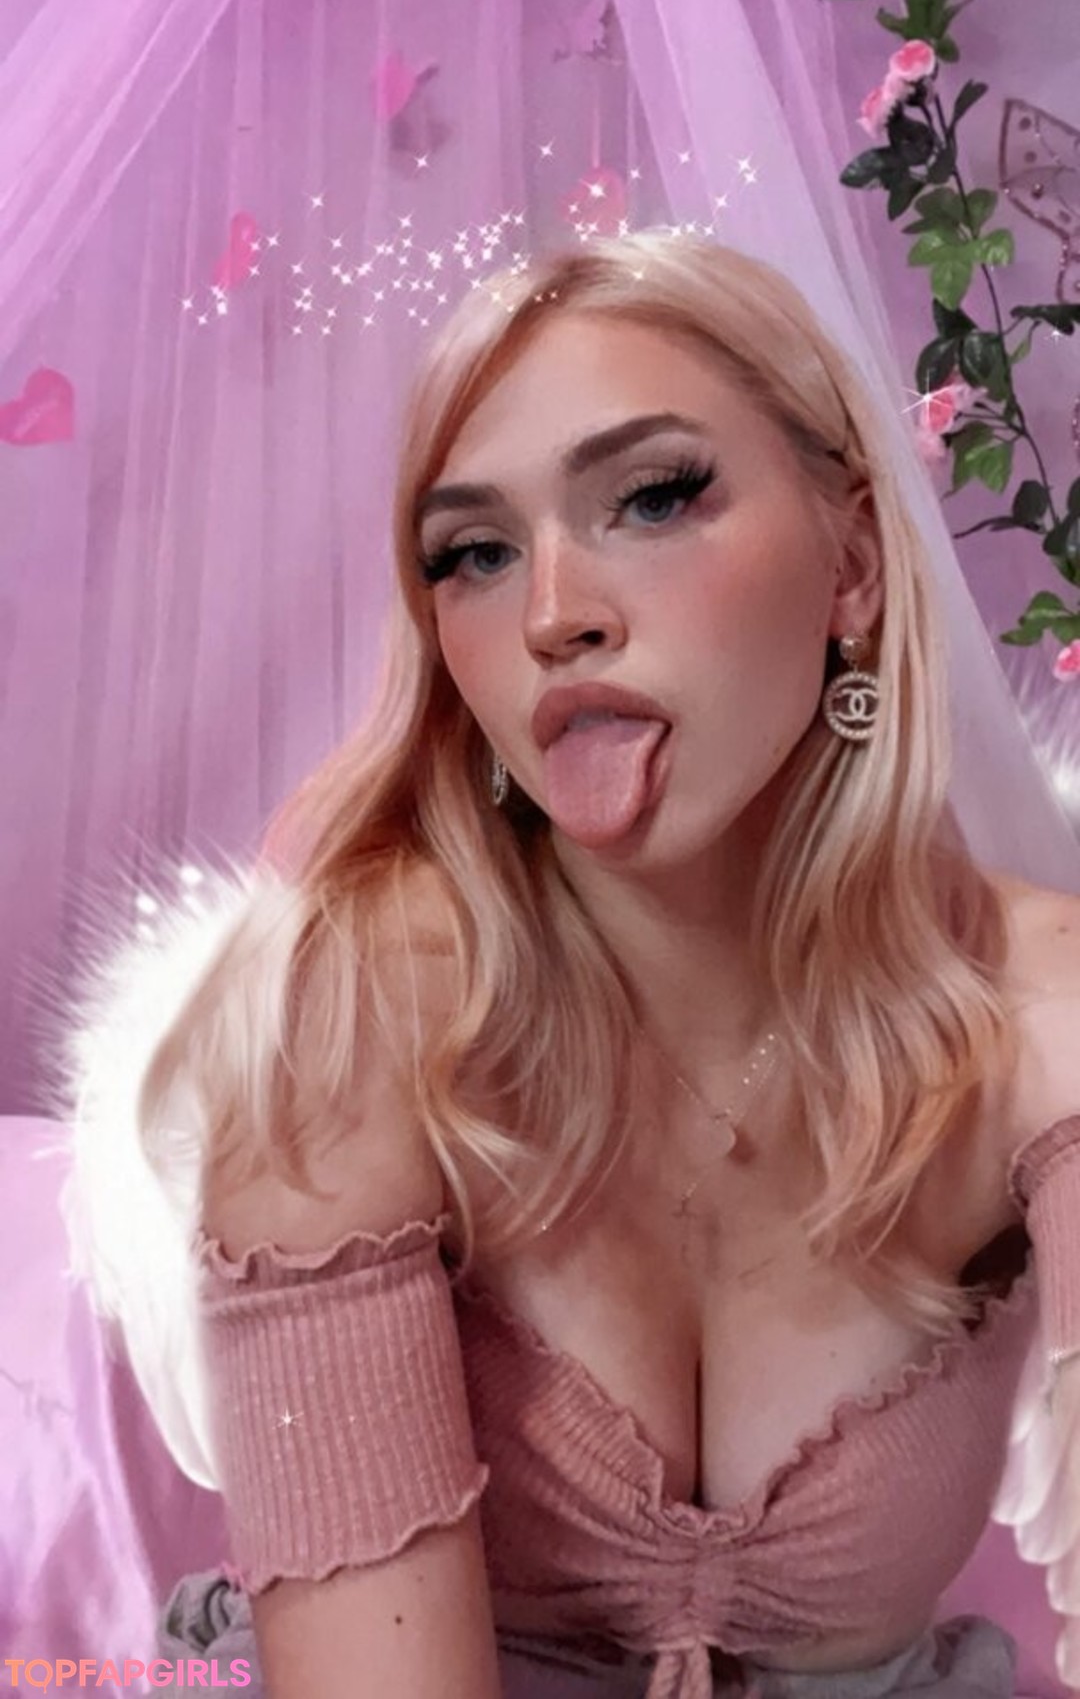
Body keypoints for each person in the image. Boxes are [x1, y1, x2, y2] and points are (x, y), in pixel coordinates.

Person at [93, 234, 1080, 1696]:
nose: (554, 613)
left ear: (854, 566)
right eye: (475, 554)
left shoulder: (1042, 1011)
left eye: (655, 496)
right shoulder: (359, 1022)